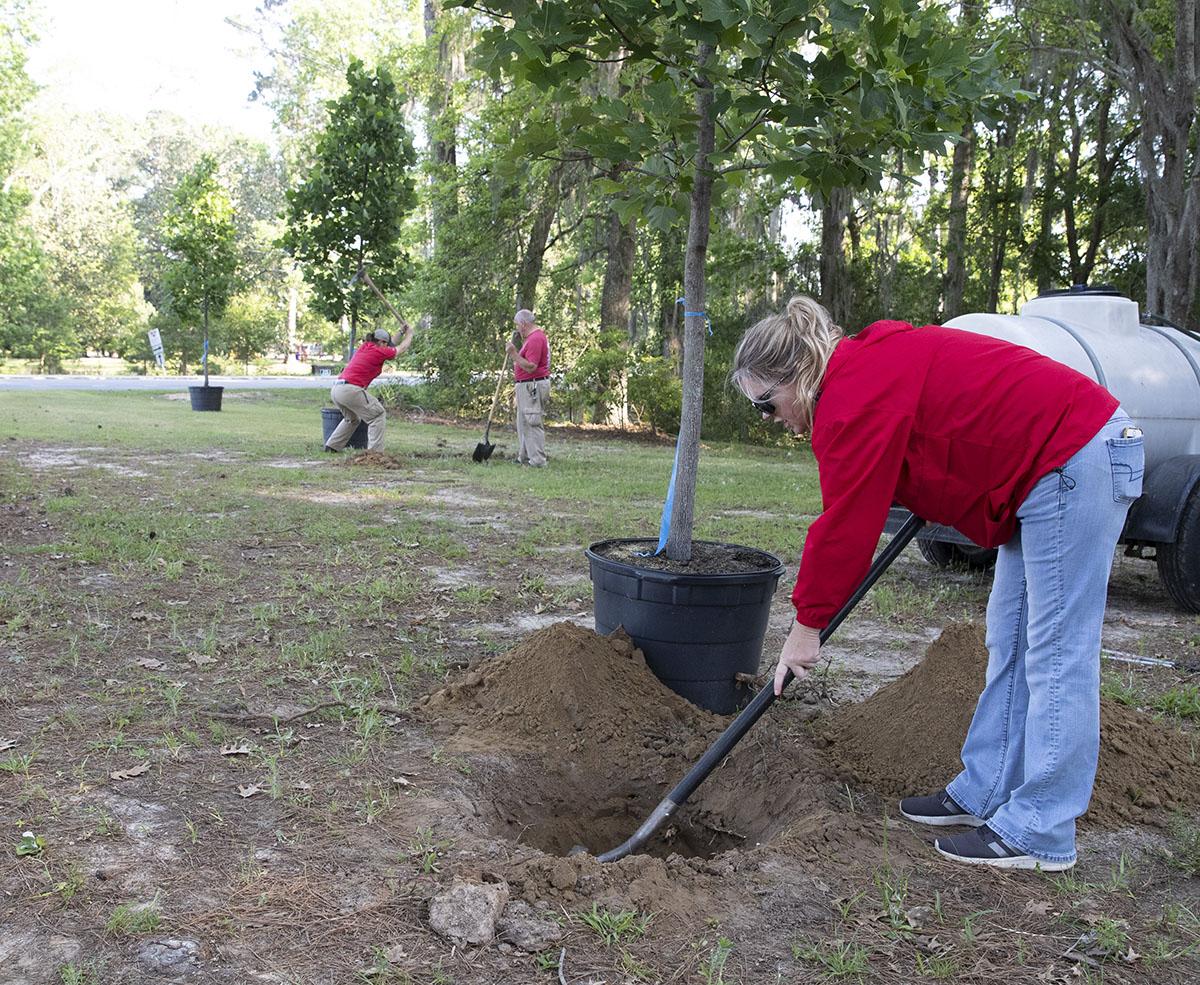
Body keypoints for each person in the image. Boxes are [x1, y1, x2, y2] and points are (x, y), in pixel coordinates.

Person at [730, 295, 1144, 872]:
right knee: (1012, 638)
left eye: (765, 406)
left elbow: (845, 525)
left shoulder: (853, 395)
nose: (771, 421)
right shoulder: (861, 372)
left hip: (1074, 458)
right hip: (1046, 470)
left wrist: (806, 628)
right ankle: (986, 789)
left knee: (1056, 651)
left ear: (797, 374)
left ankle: (1042, 829)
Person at [325, 323, 413, 453]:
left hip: (337, 390)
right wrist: (410, 334)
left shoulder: (366, 346)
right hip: (351, 390)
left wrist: (401, 331)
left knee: (352, 419)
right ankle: (375, 454)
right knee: (377, 414)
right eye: (386, 343)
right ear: (382, 342)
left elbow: (391, 344)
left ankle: (332, 446)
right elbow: (401, 348)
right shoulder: (379, 351)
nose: (388, 346)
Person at [505, 308, 551, 467]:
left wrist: (514, 354)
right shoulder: (531, 338)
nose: (517, 328)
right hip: (526, 385)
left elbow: (531, 366)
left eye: (517, 325)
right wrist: (516, 358)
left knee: (532, 421)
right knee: (523, 422)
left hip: (533, 386)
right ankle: (524, 457)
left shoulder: (536, 339)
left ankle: (538, 460)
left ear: (524, 324)